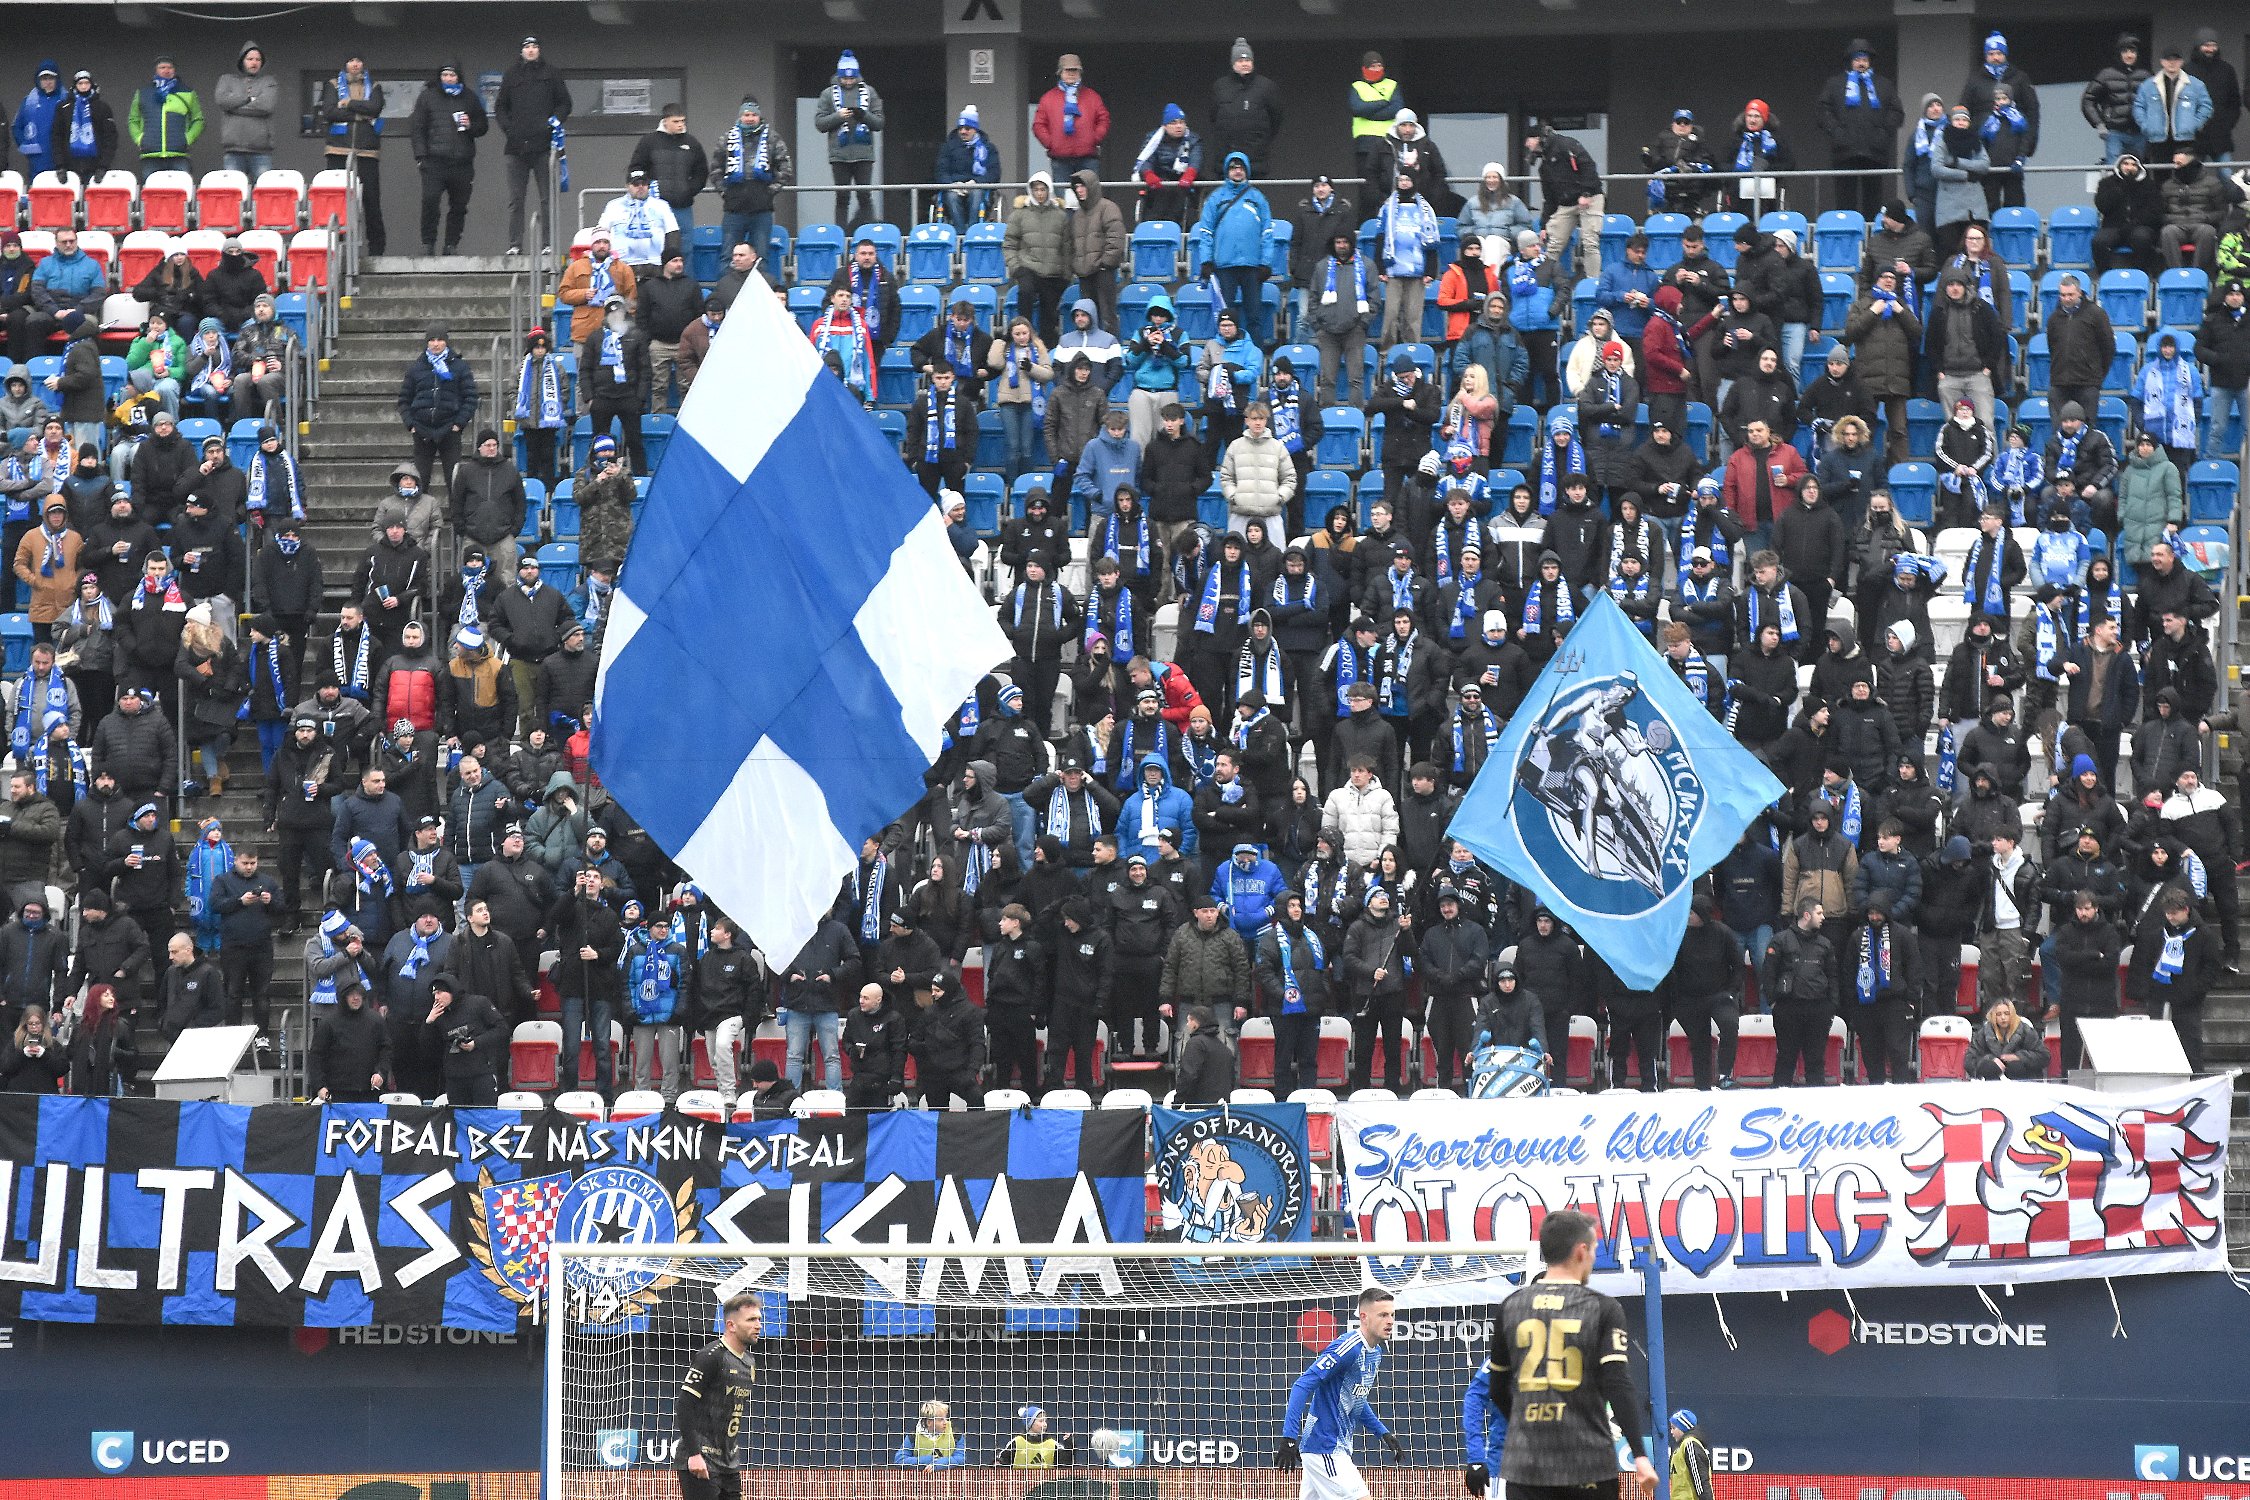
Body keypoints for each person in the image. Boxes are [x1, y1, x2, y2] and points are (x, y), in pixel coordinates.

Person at [1474, 1210, 1658, 1499]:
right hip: (1587, 1463)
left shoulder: (1511, 1307)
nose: (1593, 1258)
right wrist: (1640, 1454)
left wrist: (1526, 1428)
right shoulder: (1603, 1308)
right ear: (1581, 1251)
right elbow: (1617, 1383)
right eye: (1594, 1249)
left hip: (1526, 1466)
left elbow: (1497, 1388)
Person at [1276, 1287, 1403, 1491]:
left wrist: (1382, 1432)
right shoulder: (1348, 1347)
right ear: (1364, 1317)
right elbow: (1301, 1385)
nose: (1390, 1321)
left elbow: (1356, 1399)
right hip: (1325, 1447)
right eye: (1383, 1315)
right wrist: (1289, 1437)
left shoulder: (1376, 1352)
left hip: (1332, 1449)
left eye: (1392, 1315)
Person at [676, 1292, 761, 1500]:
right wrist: (694, 1454)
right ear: (731, 1325)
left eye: (759, 1319)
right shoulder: (711, 1356)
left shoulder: (749, 1362)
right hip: (701, 1458)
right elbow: (684, 1404)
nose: (758, 1325)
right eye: (751, 1320)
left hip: (729, 1462)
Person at [494, 36, 572, 256]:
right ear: (521, 51)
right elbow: (500, 107)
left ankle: (548, 244)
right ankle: (515, 245)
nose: (530, 50)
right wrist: (509, 129)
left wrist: (553, 122)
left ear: (539, 50)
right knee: (516, 200)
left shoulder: (552, 73)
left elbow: (565, 103)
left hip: (544, 147)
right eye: (527, 47)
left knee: (547, 199)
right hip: (515, 148)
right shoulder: (511, 74)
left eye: (534, 47)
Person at [407, 63, 487, 257]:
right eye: (445, 75)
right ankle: (428, 244)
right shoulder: (427, 96)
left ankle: (451, 245)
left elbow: (483, 126)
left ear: (458, 77)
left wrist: (471, 125)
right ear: (439, 77)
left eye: (452, 75)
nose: (449, 79)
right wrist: (421, 157)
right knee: (430, 201)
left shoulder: (469, 97)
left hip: (462, 162)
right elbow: (417, 128)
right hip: (434, 161)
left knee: (459, 206)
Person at [1817, 42, 1904, 217]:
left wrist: (1882, 133)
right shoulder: (1835, 84)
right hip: (1844, 152)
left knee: (1873, 200)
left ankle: (1870, 231)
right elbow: (1823, 111)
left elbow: (1896, 112)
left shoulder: (1883, 85)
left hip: (1874, 152)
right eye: (1857, 59)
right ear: (1850, 61)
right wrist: (1837, 132)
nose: (1861, 63)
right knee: (1845, 200)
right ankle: (1847, 229)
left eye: (1864, 59)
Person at [1199, 153, 1273, 346]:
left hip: (1252, 266)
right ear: (1227, 171)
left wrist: (1266, 262)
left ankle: (1255, 356)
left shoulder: (1258, 198)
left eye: (1241, 167)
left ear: (1247, 171)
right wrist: (1206, 260)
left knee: (1254, 316)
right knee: (1225, 317)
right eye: (1233, 167)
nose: (1237, 171)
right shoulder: (1216, 198)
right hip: (1224, 266)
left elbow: (1267, 232)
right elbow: (1205, 232)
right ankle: (1225, 356)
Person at [319, 56, 385, 256]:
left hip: (367, 150)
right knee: (337, 202)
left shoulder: (374, 86)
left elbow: (375, 108)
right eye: (351, 61)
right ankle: (336, 249)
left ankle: (377, 250)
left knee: (371, 201)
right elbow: (329, 112)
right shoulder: (332, 85)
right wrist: (360, 114)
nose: (355, 64)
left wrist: (348, 103)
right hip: (338, 150)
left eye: (358, 61)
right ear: (345, 64)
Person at [715, 99, 791, 271]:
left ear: (759, 116)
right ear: (740, 116)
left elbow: (785, 169)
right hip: (733, 210)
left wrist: (768, 192)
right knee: (728, 257)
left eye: (754, 115)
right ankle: (729, 289)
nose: (750, 118)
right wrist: (725, 193)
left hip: (761, 210)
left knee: (761, 258)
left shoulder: (772, 138)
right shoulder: (726, 139)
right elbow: (715, 169)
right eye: (746, 114)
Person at [1527, 122, 1605, 285]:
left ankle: (1592, 284)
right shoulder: (1545, 167)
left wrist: (1586, 193)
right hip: (1566, 203)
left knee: (1590, 242)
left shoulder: (1566, 145)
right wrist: (1544, 225)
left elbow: (1588, 166)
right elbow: (1549, 199)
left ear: (1538, 138)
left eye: (1529, 140)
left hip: (1590, 199)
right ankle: (1544, 284)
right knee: (1553, 245)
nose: (1527, 144)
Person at [814, 51, 884, 229]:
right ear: (839, 76)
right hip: (839, 154)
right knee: (842, 197)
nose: (848, 82)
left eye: (852, 78)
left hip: (864, 154)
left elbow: (879, 123)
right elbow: (820, 123)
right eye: (844, 78)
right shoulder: (828, 94)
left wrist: (863, 115)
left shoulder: (869, 92)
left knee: (864, 196)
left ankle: (868, 232)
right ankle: (841, 235)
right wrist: (838, 117)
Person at [1208, 38, 1284, 178]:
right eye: (1240, 60)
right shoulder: (1220, 86)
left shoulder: (1267, 87)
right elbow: (1213, 117)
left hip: (1256, 161)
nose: (1245, 64)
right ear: (1233, 63)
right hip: (1226, 158)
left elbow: (1276, 118)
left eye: (1248, 60)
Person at [629, 102, 708, 231]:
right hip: (654, 206)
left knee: (685, 242)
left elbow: (701, 171)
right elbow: (636, 169)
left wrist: (688, 191)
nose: (680, 125)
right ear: (665, 121)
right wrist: (645, 190)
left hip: (682, 207)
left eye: (682, 121)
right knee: (655, 241)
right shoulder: (648, 141)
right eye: (676, 121)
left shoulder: (692, 143)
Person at [1035, 53, 1110, 178]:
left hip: (1088, 157)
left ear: (1080, 73)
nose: (1071, 74)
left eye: (1075, 70)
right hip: (1060, 159)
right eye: (1067, 70)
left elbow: (1104, 119)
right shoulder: (1048, 98)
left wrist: (1094, 138)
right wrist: (1051, 143)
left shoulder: (1092, 96)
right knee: (1062, 192)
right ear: (1060, 72)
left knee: (1089, 191)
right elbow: (1039, 125)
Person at [128, 56, 203, 179]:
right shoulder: (143, 93)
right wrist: (139, 139)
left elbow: (198, 120)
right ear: (156, 70)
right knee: (151, 190)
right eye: (162, 67)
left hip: (179, 155)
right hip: (150, 155)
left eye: (170, 67)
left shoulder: (187, 92)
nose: (166, 70)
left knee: (181, 189)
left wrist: (187, 139)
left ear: (174, 70)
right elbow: (133, 120)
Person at [214, 42, 278, 180]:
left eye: (258, 59)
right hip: (233, 150)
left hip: (261, 151)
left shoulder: (268, 81)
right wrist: (248, 99)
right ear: (242, 61)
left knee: (263, 190)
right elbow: (222, 101)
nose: (254, 63)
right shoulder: (226, 80)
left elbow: (266, 106)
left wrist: (234, 107)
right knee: (234, 190)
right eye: (250, 59)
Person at [896, 1398, 968, 1470]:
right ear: (929, 1422)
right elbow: (900, 1460)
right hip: (922, 1476)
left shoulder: (955, 1434)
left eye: (945, 1418)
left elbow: (961, 1459)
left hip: (949, 1476)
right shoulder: (913, 1437)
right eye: (941, 1419)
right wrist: (928, 1460)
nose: (945, 1422)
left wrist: (939, 1464)